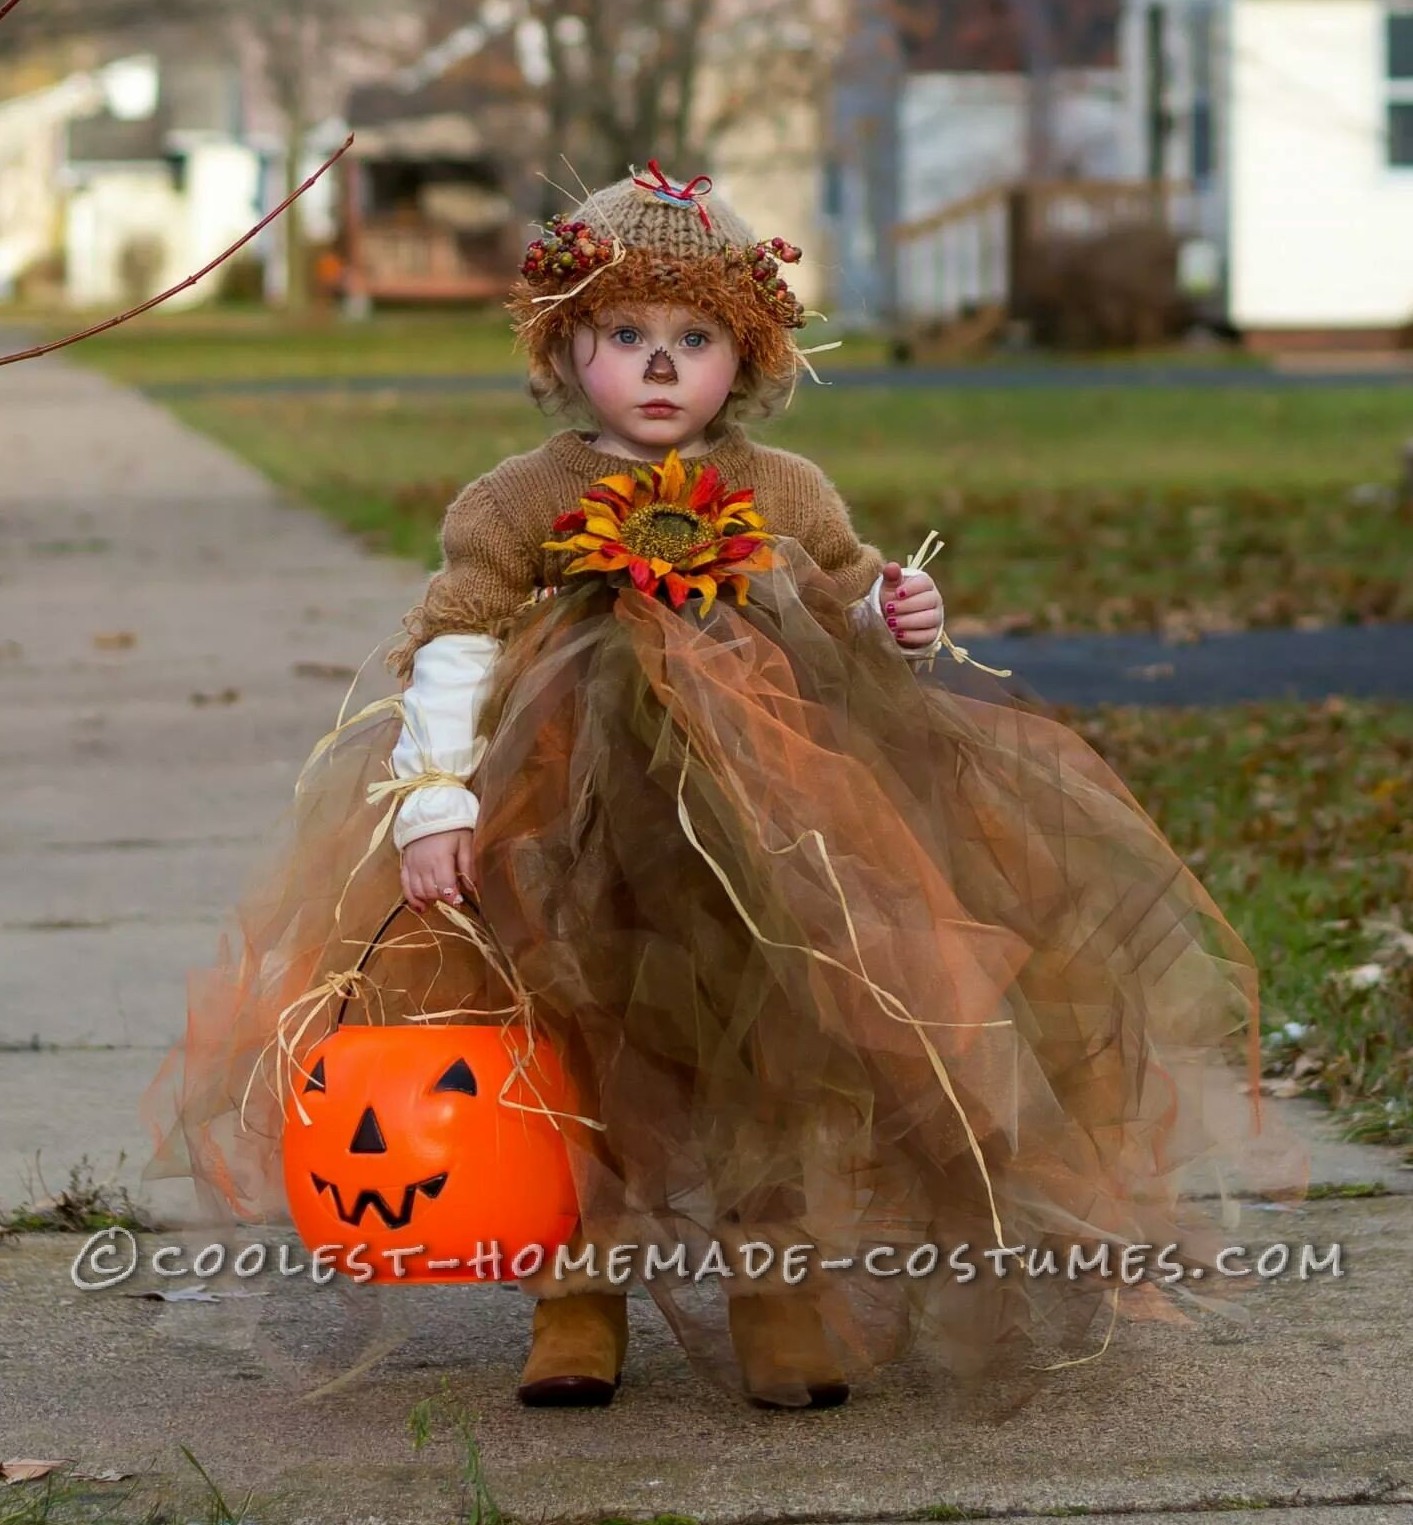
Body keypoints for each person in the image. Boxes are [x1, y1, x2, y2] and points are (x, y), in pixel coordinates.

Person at [141, 162, 1304, 1413]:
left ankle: (776, 1286)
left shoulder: (783, 489)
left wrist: (895, 611)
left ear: (741, 355)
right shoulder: (522, 498)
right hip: (563, 831)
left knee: (773, 1054)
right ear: (562, 341)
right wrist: (435, 798)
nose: (658, 365)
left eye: (692, 339)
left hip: (759, 839)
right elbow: (458, 642)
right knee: (569, 1046)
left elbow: (847, 596)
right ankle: (577, 1289)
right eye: (625, 334)